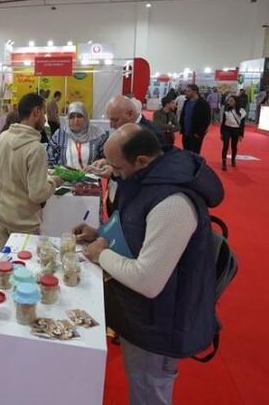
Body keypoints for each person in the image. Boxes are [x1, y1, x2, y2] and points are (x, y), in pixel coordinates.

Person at [75, 124, 223, 405]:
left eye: (116, 168)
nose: (113, 174)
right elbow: (133, 231)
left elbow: (148, 280)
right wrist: (101, 235)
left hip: (160, 323)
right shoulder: (146, 180)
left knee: (148, 392)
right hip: (143, 316)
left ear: (141, 161)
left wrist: (100, 254)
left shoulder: (173, 202)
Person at [0, 93, 63, 246]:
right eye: (43, 113)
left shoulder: (2, 138)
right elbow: (37, 194)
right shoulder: (36, 149)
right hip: (25, 223)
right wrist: (54, 181)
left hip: (3, 216)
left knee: (4, 266)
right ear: (36, 112)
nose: (45, 119)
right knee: (25, 268)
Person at [47, 102, 107, 169]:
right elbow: (49, 159)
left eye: (79, 116)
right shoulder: (60, 135)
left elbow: (108, 159)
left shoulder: (97, 134)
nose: (76, 120)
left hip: (92, 177)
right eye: (72, 117)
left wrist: (102, 163)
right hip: (64, 178)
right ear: (68, 119)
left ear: (86, 117)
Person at [180, 84, 211, 154]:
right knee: (185, 153)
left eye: (188, 91)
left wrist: (199, 132)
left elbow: (206, 119)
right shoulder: (186, 102)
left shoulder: (203, 104)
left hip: (196, 134)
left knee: (194, 154)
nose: (186, 93)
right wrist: (182, 128)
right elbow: (183, 115)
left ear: (194, 92)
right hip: (185, 133)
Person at [220, 95, 247, 171]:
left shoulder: (242, 111)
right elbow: (223, 122)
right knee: (225, 146)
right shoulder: (226, 109)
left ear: (236, 101)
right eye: (228, 101)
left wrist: (241, 134)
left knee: (234, 146)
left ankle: (233, 159)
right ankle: (224, 163)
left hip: (236, 130)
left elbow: (242, 124)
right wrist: (221, 133)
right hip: (226, 129)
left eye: (231, 101)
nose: (229, 102)